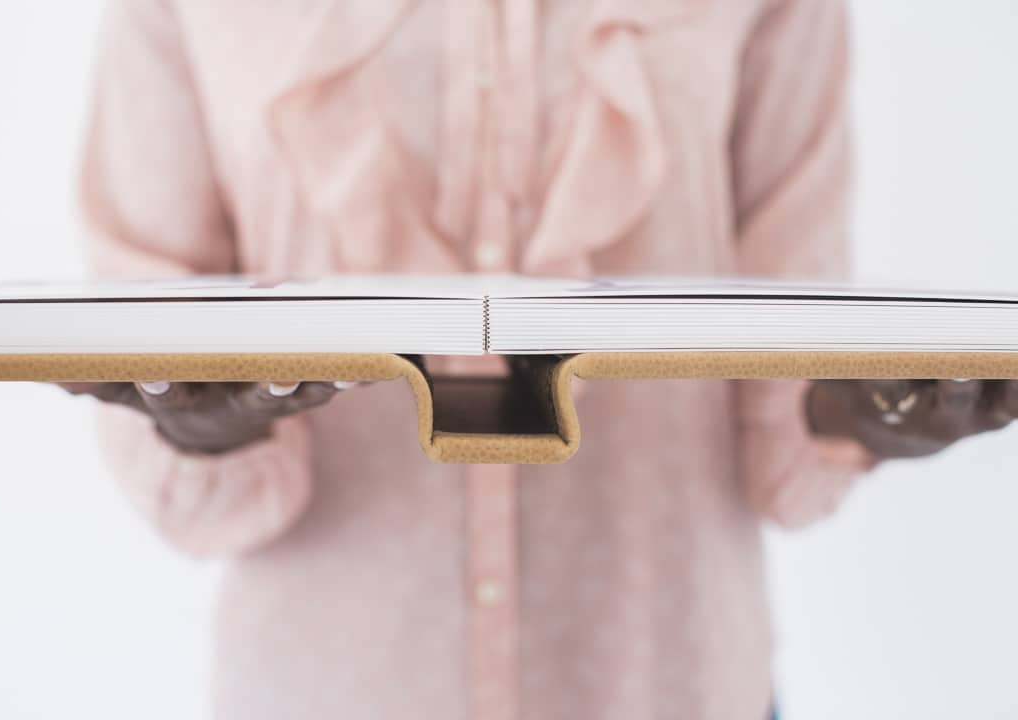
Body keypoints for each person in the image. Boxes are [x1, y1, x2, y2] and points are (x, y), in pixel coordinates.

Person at [62, 1, 1018, 718]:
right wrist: (196, 422)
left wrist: (867, 417)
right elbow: (150, 307)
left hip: (671, 677)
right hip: (328, 678)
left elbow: (791, 398)